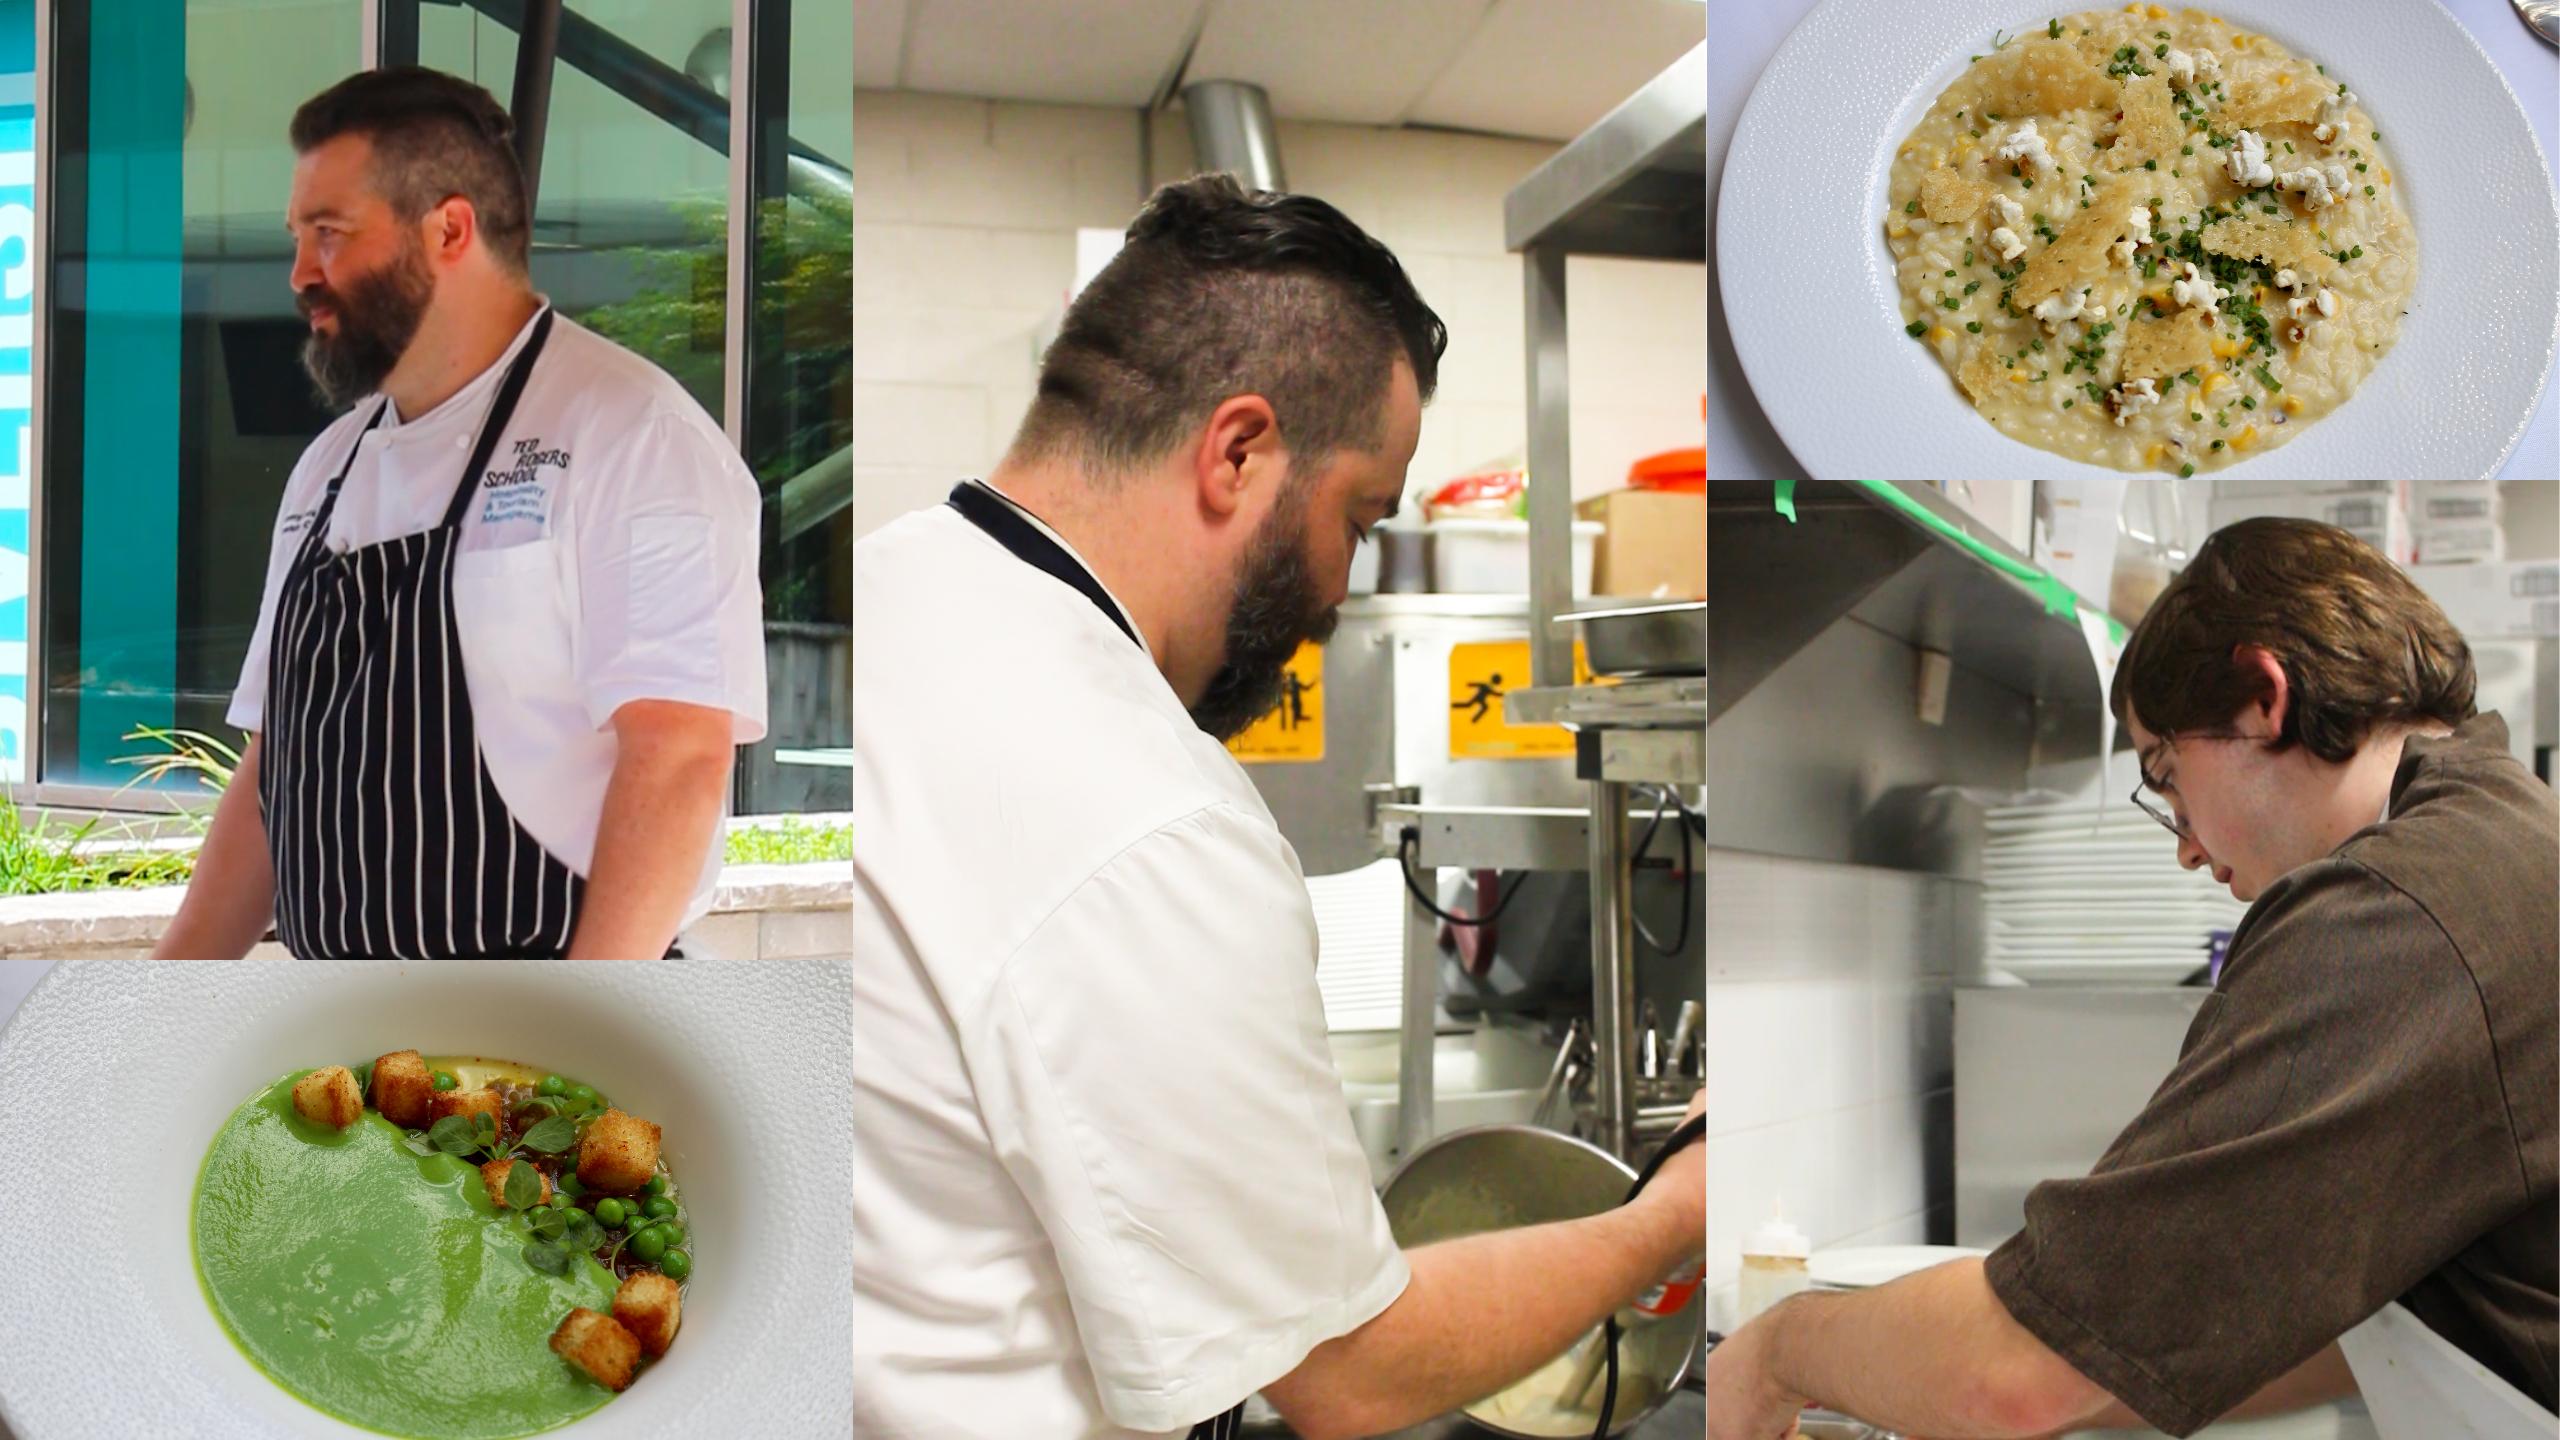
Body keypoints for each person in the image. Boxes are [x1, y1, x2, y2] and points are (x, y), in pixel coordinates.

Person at [852, 174, 1706, 1437]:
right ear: (1240, 451)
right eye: (1358, 518)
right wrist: (1679, 1210)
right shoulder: (1145, 808)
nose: (1337, 593)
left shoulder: (887, 594)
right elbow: (1353, 1370)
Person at [1709, 517, 2557, 1438]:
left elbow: (2004, 1379)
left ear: (2261, 699)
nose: (2189, 849)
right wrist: (2081, 1370)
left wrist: (1776, 1352)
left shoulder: (2394, 915)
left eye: (2168, 775)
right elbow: (2308, 1335)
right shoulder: (2495, 836)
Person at [152, 68, 767, 959]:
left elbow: (679, 756)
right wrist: (155, 1011)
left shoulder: (632, 432)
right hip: (345, 1055)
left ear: (448, 228)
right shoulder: (329, 466)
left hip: (549, 1042)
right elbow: (273, 772)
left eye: (330, 234)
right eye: (298, 238)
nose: (298, 275)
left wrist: (577, 1052)